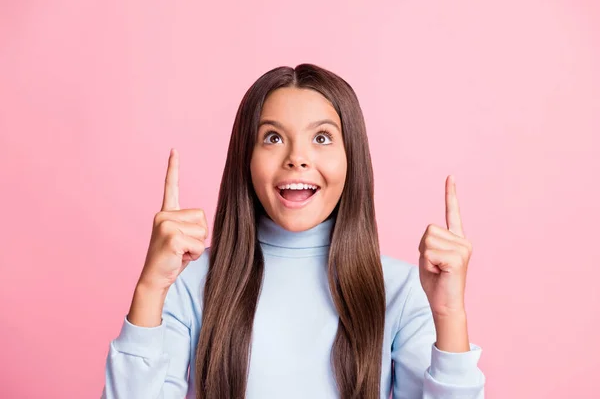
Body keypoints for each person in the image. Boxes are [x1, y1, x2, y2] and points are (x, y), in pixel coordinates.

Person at [101, 63, 485, 399]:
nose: (297, 158)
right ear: (245, 160)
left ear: (352, 159)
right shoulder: (189, 282)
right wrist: (151, 288)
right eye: (272, 137)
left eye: (321, 138)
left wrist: (450, 314)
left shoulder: (400, 291)